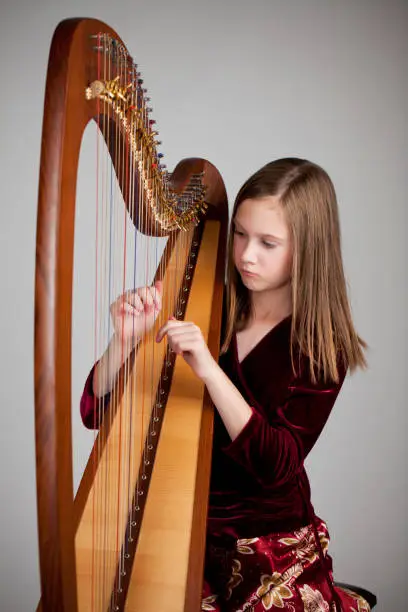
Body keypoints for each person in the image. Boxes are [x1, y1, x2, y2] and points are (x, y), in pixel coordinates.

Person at [80, 158, 370, 611]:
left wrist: (211, 372)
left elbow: (277, 465)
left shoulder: (319, 345)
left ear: (308, 248)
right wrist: (124, 340)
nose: (246, 254)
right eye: (239, 233)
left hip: (267, 550)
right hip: (182, 530)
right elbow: (96, 414)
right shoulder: (210, 299)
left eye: (268, 243)